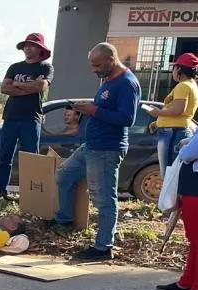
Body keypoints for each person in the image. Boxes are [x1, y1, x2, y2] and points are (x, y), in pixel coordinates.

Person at [53, 42, 141, 260]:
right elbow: (105, 108)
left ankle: (103, 247)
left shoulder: (127, 83)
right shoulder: (108, 79)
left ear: (111, 59)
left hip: (106, 149)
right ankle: (65, 219)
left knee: (103, 198)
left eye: (97, 65)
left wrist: (93, 110)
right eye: (92, 65)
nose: (94, 69)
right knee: (64, 175)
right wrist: (88, 107)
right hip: (91, 146)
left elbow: (127, 119)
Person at [0, 33, 55, 201]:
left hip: (31, 118)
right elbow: (4, 88)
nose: (28, 48)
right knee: (5, 155)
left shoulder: (45, 67)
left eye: (32, 45)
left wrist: (16, 84)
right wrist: (29, 87)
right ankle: (1, 191)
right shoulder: (14, 67)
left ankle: (30, 194)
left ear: (40, 49)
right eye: (26, 45)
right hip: (11, 117)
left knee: (31, 158)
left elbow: (41, 86)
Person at [157, 133, 198, 290]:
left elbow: (188, 153)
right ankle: (187, 282)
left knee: (197, 240)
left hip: (196, 191)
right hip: (192, 188)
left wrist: (186, 145)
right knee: (194, 241)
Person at [145, 53, 198, 179]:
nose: (172, 71)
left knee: (169, 174)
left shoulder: (183, 85)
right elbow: (180, 113)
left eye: (173, 67)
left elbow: (178, 110)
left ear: (179, 68)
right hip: (176, 130)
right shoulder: (191, 85)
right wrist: (157, 123)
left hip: (172, 133)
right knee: (173, 173)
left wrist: (157, 113)